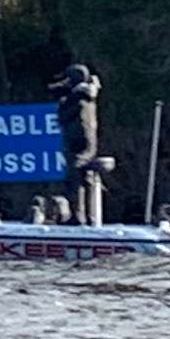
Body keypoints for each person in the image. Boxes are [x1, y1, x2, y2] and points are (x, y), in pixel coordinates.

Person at [47, 62, 101, 223]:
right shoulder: (87, 94)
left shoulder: (78, 97)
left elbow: (62, 117)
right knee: (86, 178)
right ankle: (90, 218)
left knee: (75, 179)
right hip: (88, 143)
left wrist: (63, 99)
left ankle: (78, 216)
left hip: (78, 143)